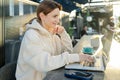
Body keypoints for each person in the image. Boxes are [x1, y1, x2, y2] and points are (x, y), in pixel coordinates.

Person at [15, 1, 94, 80]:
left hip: (50, 76)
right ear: (42, 16)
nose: (58, 20)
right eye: (54, 16)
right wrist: (76, 57)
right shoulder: (31, 35)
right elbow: (44, 64)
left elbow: (69, 52)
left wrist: (63, 34)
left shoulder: (53, 34)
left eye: (58, 16)